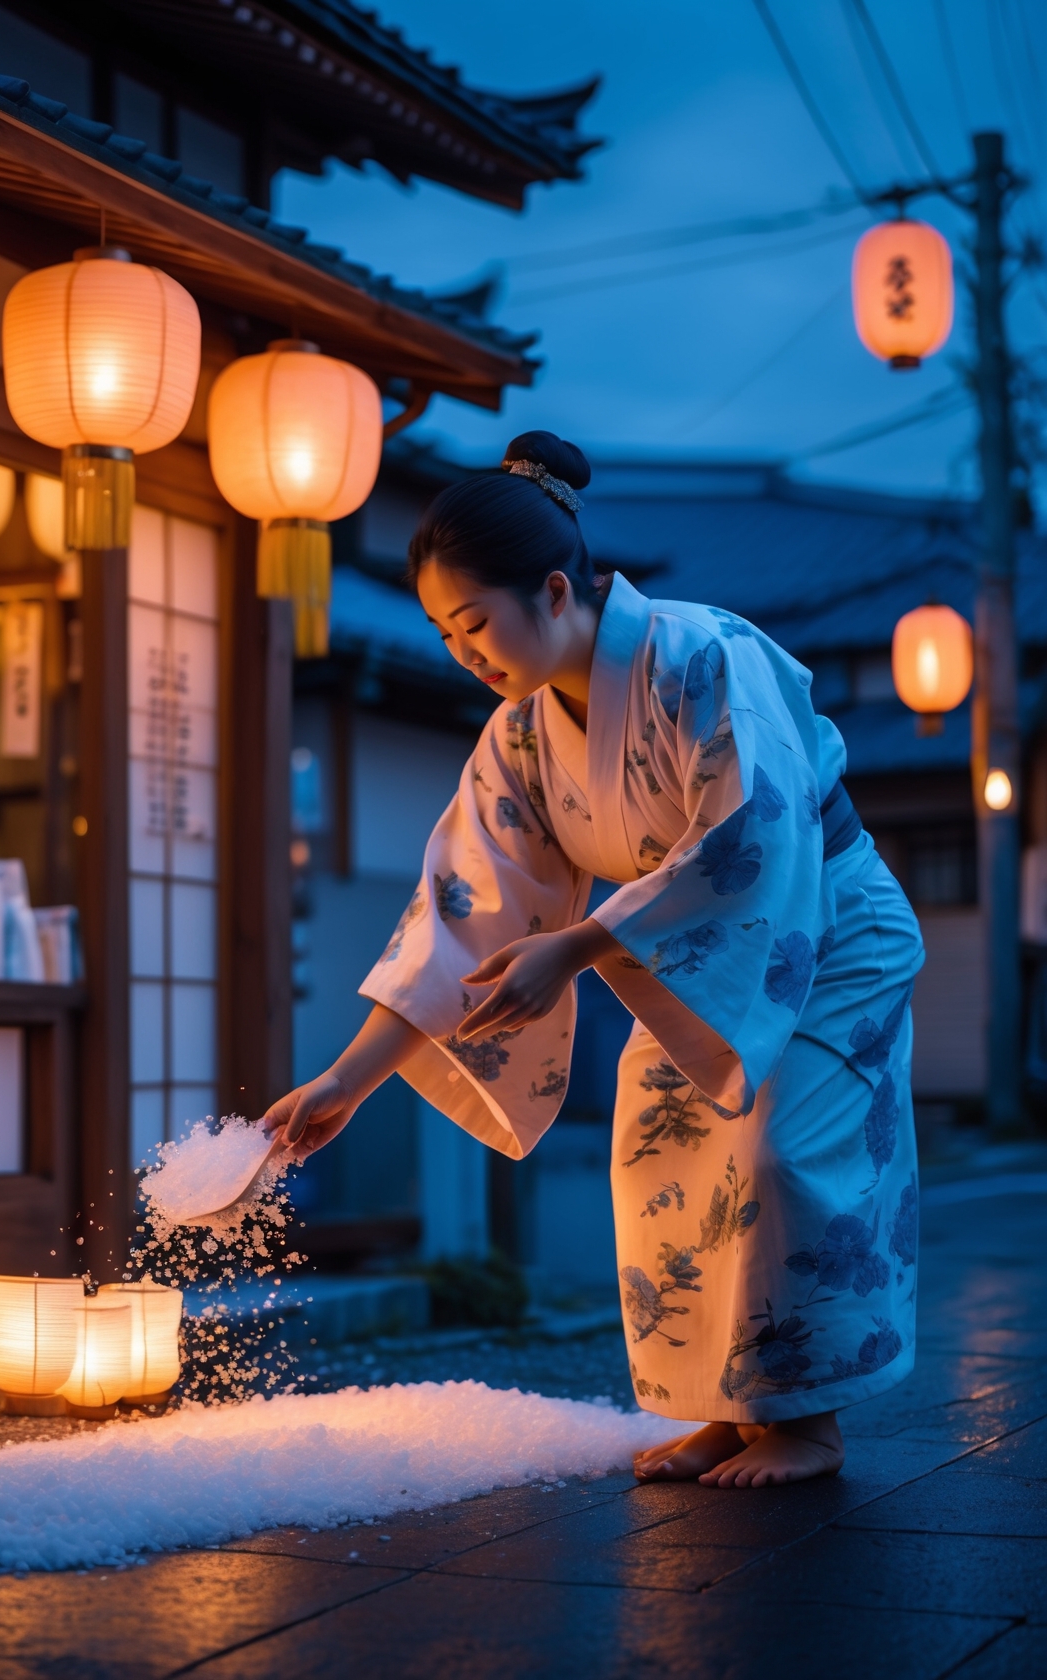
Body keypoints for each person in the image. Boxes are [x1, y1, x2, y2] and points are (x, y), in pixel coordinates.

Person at [264, 433, 923, 1488]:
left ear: (557, 589)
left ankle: (807, 1422)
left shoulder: (704, 657)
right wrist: (346, 1079)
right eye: (444, 634)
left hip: (828, 933)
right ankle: (726, 1410)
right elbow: (458, 918)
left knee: (776, 1158)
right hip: (681, 953)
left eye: (475, 622)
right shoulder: (520, 739)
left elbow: (756, 837)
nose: (463, 653)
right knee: (663, 1160)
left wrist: (576, 947)